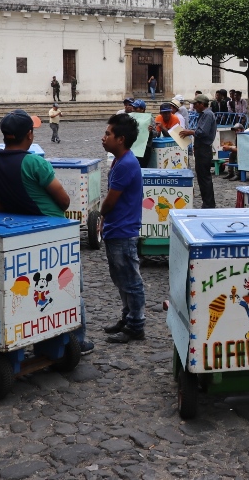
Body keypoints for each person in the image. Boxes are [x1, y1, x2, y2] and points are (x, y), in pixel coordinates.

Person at [0, 110, 92, 354]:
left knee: (28, 289)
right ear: (29, 135)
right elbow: (63, 200)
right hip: (53, 231)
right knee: (68, 286)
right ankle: (78, 340)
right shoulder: (34, 162)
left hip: (18, 232)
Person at [100, 114, 146, 344]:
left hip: (123, 230)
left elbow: (110, 200)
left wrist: (100, 213)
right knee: (121, 278)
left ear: (121, 139)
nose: (104, 137)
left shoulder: (126, 164)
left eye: (108, 134)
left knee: (130, 280)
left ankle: (136, 325)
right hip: (116, 227)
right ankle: (127, 317)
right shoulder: (120, 160)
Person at [180, 95, 217, 209]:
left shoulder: (207, 114)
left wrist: (190, 132)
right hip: (201, 148)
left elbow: (202, 132)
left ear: (201, 104)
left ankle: (208, 203)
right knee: (202, 176)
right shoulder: (204, 114)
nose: (194, 107)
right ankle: (207, 202)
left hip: (204, 148)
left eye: (195, 104)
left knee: (204, 177)